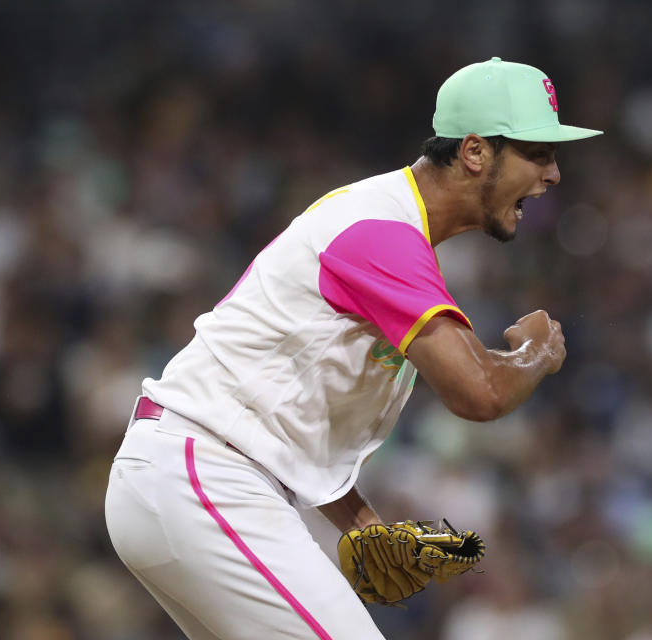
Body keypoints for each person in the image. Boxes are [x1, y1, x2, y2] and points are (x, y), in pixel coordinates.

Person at [104, 57, 601, 640]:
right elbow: (480, 392)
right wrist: (539, 352)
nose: (553, 174)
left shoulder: (388, 228)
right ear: (474, 153)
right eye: (537, 154)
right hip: (205, 475)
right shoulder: (383, 233)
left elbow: (288, 410)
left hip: (198, 476)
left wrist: (358, 521)